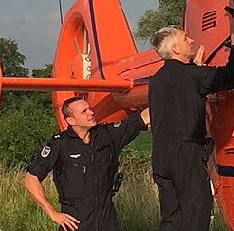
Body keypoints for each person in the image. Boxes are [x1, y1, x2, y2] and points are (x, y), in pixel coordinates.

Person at [147, 26, 234, 231]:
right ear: (175, 49)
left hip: (161, 155)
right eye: (186, 38)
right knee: (196, 213)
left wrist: (196, 70)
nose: (192, 41)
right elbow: (230, 76)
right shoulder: (191, 75)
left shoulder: (157, 80)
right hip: (185, 155)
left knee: (171, 217)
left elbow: (181, 92)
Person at [23, 97, 153, 231]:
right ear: (71, 120)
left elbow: (141, 119)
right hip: (76, 223)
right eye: (84, 111)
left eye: (89, 108)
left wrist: (165, 93)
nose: (91, 113)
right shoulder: (59, 145)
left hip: (107, 222)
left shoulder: (107, 135)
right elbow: (31, 178)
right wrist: (51, 212)